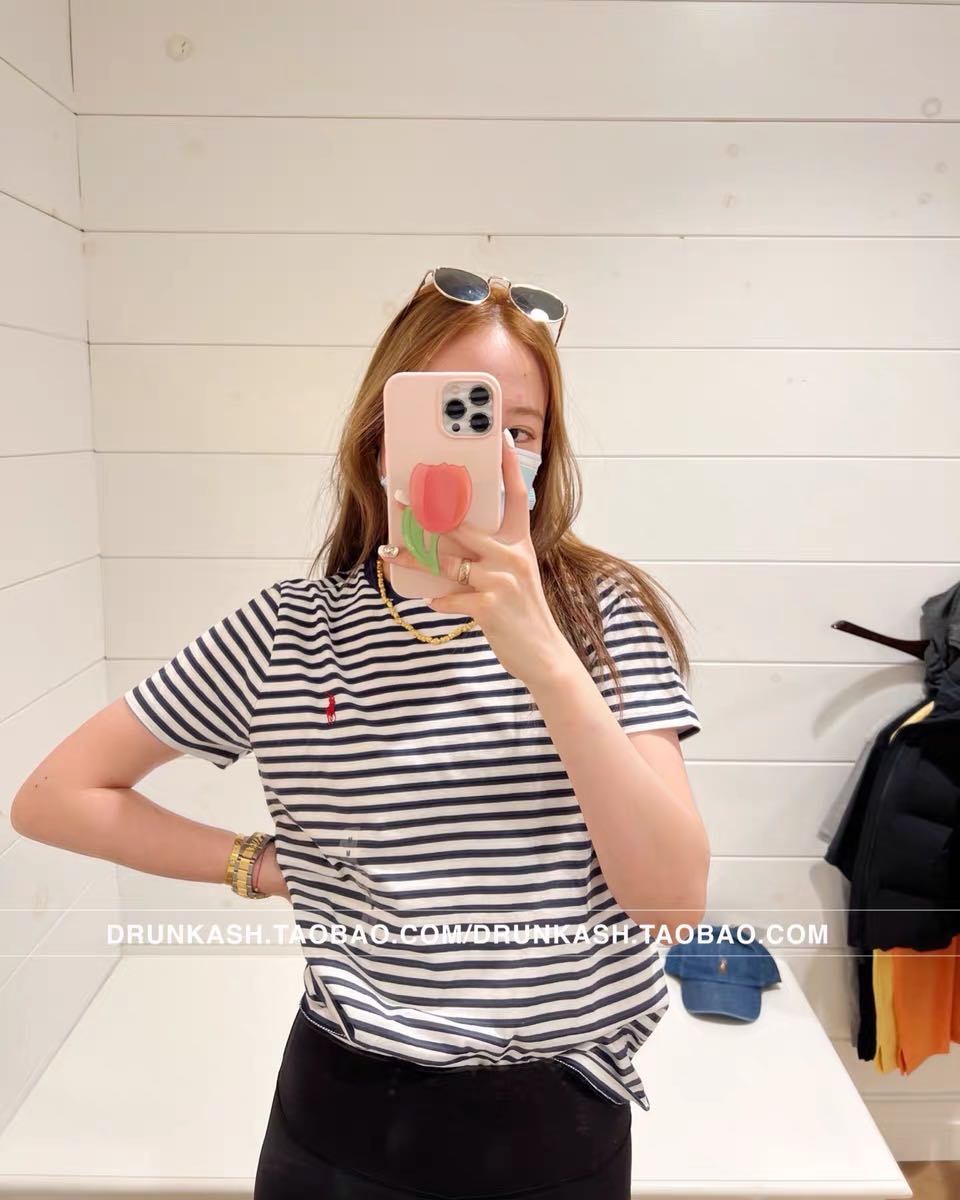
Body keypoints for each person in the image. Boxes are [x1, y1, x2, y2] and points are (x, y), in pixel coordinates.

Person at [10, 267, 710, 1199]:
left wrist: (545, 656)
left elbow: (671, 905)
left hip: (557, 1126)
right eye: (457, 418)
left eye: (520, 429)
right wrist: (260, 865)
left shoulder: (600, 613)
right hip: (342, 1122)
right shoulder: (289, 631)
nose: (494, 453)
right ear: (384, 443)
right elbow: (52, 797)